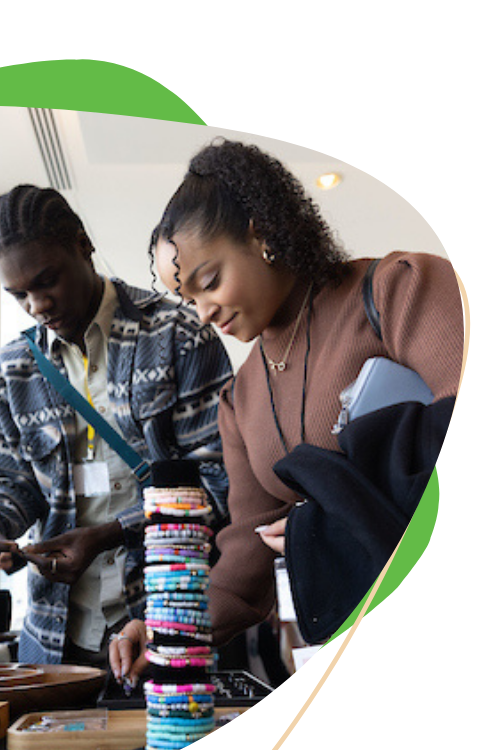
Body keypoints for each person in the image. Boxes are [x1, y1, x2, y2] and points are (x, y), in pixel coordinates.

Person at [111, 138, 465, 683]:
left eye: (209, 282)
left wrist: (322, 525)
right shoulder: (239, 399)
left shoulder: (396, 291)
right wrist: (167, 629)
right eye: (189, 301)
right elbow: (246, 561)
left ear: (263, 233)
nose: (204, 314)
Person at [0, 184, 234, 666]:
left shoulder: (178, 336)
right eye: (18, 294)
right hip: (53, 641)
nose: (36, 305)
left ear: (83, 245)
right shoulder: (11, 370)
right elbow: (6, 484)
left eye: (47, 281)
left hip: (165, 622)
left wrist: (110, 534)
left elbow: (219, 486)